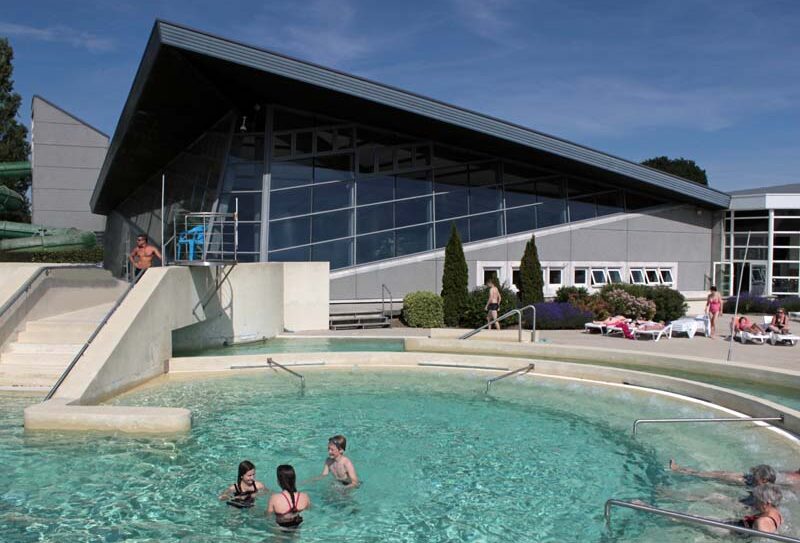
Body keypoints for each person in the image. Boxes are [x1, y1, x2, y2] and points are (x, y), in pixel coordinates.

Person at [266, 465, 310, 529]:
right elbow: (308, 513)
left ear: (278, 481)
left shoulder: (274, 498)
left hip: (280, 529)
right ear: (294, 480)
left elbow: (268, 517)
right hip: (300, 526)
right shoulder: (304, 496)